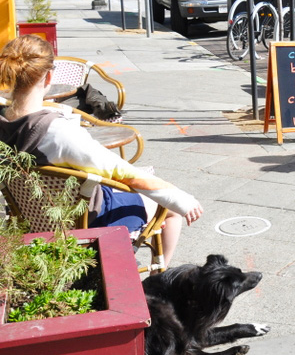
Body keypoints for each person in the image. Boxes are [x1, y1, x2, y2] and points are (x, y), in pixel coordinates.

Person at [0, 36, 202, 264]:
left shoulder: (5, 125)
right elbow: (123, 173)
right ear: (48, 77)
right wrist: (182, 200)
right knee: (170, 208)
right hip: (86, 218)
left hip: (32, 216)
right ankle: (157, 284)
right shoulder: (58, 132)